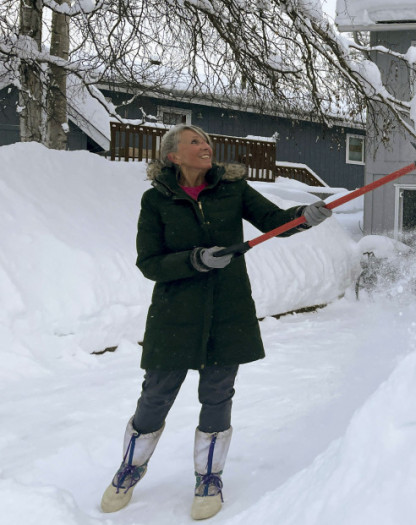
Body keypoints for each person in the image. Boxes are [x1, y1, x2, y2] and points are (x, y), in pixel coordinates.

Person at [99, 124, 331, 520]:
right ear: (172, 155)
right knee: (156, 395)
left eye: (206, 141)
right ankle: (130, 467)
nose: (206, 146)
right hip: (176, 313)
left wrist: (303, 217)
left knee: (218, 394)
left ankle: (208, 477)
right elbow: (149, 262)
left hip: (228, 310)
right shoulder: (156, 201)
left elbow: (274, 220)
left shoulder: (233, 189)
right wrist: (194, 260)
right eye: (195, 142)